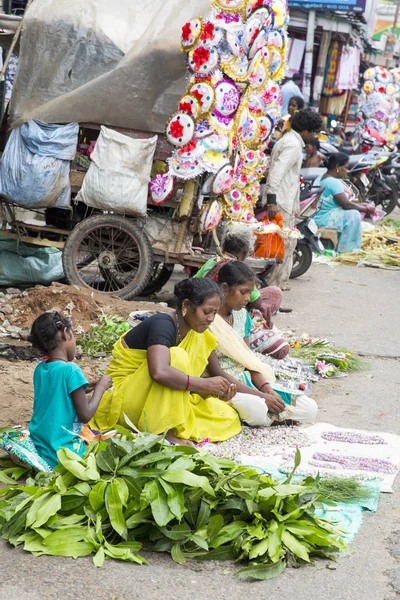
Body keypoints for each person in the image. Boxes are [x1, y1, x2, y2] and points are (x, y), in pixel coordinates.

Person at [90, 278, 241, 445]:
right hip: (124, 398)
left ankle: (166, 424)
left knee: (225, 415)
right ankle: (164, 432)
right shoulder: (163, 324)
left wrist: (214, 391)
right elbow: (159, 372)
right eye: (206, 312)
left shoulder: (197, 333)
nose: (211, 318)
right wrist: (204, 384)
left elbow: (183, 385)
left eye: (215, 312)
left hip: (153, 400)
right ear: (186, 306)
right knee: (178, 356)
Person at [207, 261, 318, 425]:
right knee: (256, 408)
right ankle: (266, 419)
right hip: (223, 386)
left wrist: (266, 389)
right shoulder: (208, 319)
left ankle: (261, 418)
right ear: (224, 288)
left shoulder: (242, 316)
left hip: (247, 381)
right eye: (243, 292)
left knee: (309, 408)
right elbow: (216, 372)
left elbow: (248, 361)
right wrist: (261, 396)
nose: (247, 298)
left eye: (250, 293)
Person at [28, 312, 112, 468]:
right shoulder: (70, 371)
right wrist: (100, 388)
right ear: (65, 333)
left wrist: (86, 386)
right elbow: (85, 415)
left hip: (40, 449)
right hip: (62, 455)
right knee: (112, 444)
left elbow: (57, 394)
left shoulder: (41, 369)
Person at [264, 109, 323, 290]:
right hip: (281, 202)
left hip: (285, 201)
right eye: (312, 132)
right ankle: (274, 288)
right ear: (305, 130)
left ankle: (277, 284)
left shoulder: (288, 141)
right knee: (283, 246)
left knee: (286, 244)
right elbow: (276, 172)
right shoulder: (293, 145)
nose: (312, 136)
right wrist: (272, 200)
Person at [313, 153, 374, 253]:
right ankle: (347, 250)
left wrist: (360, 205)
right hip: (323, 218)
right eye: (345, 168)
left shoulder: (322, 177)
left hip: (318, 215)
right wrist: (366, 209)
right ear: (337, 167)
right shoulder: (333, 182)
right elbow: (346, 205)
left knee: (353, 211)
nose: (347, 171)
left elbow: (340, 202)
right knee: (353, 215)